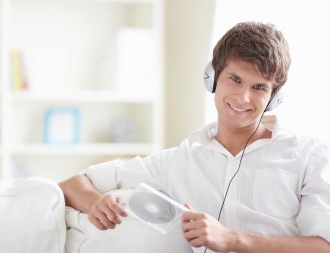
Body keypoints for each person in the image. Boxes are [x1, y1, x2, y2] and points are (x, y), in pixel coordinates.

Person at [59, 21, 330, 253]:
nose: (243, 97)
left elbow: (324, 245)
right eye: (235, 79)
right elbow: (73, 183)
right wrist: (95, 203)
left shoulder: (309, 155)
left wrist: (231, 239)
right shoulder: (180, 159)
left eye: (259, 87)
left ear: (274, 97)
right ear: (211, 78)